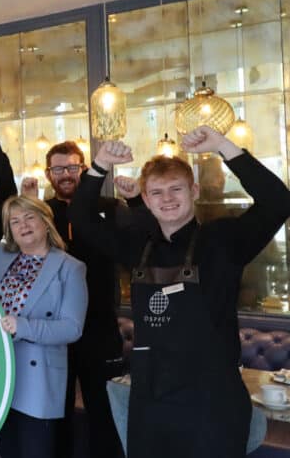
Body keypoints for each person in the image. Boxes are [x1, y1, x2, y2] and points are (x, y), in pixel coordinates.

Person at [69, 127, 290, 458]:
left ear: (194, 190)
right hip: (150, 405)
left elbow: (278, 201)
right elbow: (81, 218)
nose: (167, 199)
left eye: (176, 189)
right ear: (145, 199)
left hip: (213, 406)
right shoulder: (137, 247)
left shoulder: (222, 242)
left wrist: (223, 146)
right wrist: (98, 164)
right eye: (156, 192)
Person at [22, 141, 136, 458]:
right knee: (55, 414)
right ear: (48, 174)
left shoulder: (112, 208)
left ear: (84, 169)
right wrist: (29, 207)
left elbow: (139, 249)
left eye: (72, 167)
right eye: (58, 169)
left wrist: (137, 199)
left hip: (100, 328)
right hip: (52, 331)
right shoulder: (41, 213)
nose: (66, 175)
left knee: (105, 413)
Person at [0, 189, 87, 458]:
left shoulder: (70, 267)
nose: (23, 225)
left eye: (29, 218)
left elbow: (72, 328)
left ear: (45, 222)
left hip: (38, 378)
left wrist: (22, 326)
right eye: (15, 222)